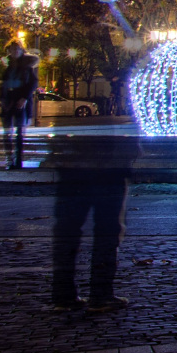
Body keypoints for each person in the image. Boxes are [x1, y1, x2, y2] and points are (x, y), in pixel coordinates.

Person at [47, 133, 136, 313]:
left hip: (72, 170)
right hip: (108, 171)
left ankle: (63, 296)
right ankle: (101, 295)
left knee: (66, 233)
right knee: (107, 231)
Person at [2, 43, 39, 169]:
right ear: (9, 51)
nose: (15, 51)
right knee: (7, 132)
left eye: (17, 49)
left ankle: (18, 160)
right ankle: (9, 159)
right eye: (12, 49)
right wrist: (2, 99)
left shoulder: (27, 67)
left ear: (21, 50)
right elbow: (4, 85)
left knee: (19, 132)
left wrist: (24, 98)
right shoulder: (8, 68)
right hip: (9, 102)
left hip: (20, 101)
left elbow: (33, 83)